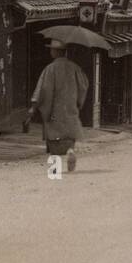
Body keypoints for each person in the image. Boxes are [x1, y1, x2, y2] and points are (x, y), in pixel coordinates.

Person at [30, 40, 89, 173]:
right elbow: (83, 86)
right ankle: (70, 151)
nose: (51, 52)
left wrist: (35, 105)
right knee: (69, 137)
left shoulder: (50, 69)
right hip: (70, 108)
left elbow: (42, 89)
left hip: (54, 110)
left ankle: (55, 171)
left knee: (54, 141)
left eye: (52, 50)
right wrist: (79, 102)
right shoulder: (75, 67)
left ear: (55, 52)